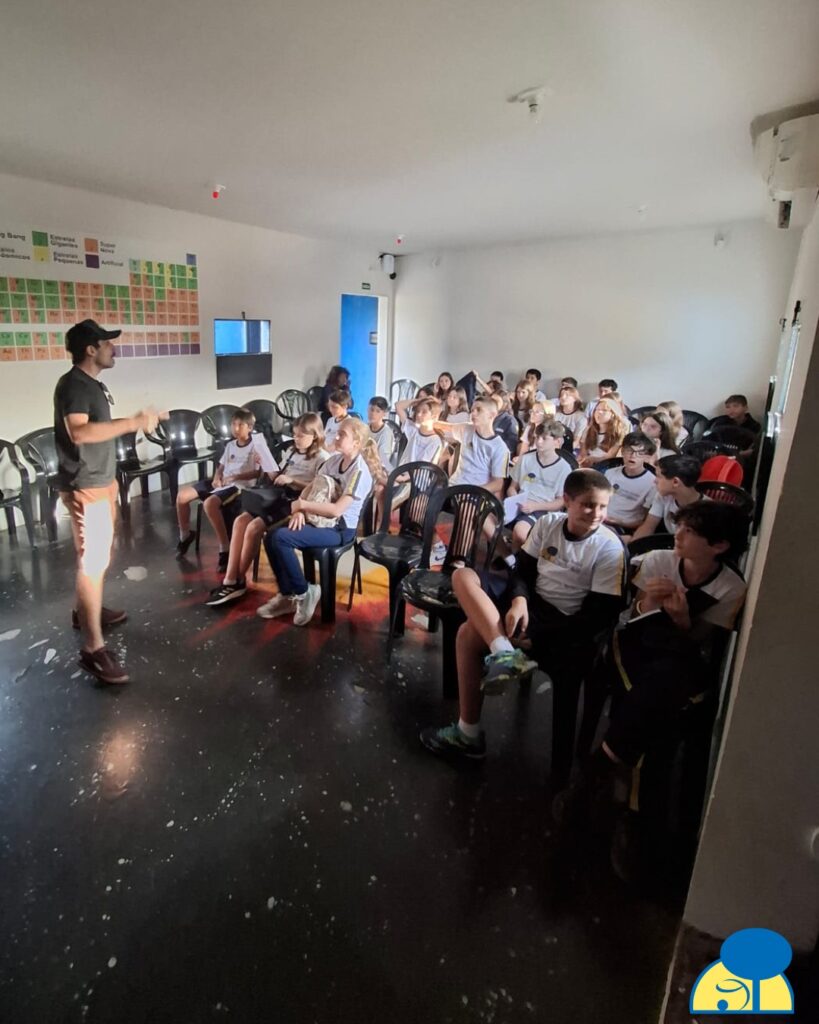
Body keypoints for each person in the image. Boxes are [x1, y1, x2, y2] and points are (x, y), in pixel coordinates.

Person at [553, 503, 748, 874]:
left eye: (690, 532)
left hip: (677, 658)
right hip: (635, 645)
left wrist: (683, 619)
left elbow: (699, 641)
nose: (679, 535)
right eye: (681, 526)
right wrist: (650, 603)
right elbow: (631, 619)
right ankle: (637, 818)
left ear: (719, 546)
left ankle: (596, 773)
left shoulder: (729, 587)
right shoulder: (659, 561)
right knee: (663, 699)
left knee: (660, 692)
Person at [419, 470, 625, 765]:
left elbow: (598, 617)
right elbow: (522, 572)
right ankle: (503, 652)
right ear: (567, 501)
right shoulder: (548, 524)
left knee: (468, 633)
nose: (597, 514)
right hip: (532, 605)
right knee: (463, 576)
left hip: (565, 626)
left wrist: (538, 634)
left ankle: (469, 733)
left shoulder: (609, 547)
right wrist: (519, 601)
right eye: (588, 505)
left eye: (603, 506)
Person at [54, 319, 168, 685]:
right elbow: (79, 432)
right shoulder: (75, 385)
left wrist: (137, 422)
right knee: (93, 561)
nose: (113, 348)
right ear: (91, 349)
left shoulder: (90, 384)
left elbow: (96, 427)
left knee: (93, 557)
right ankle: (93, 649)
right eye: (107, 343)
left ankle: (85, 613)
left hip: (99, 481)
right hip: (87, 485)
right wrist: (132, 422)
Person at [257, 418, 379, 626]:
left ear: (356, 443)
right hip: (319, 520)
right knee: (271, 536)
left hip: (339, 529)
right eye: (337, 432)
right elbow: (311, 487)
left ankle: (305, 592)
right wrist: (300, 511)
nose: (336, 437)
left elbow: (337, 510)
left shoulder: (359, 472)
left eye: (342, 435)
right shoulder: (334, 460)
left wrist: (303, 506)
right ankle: (287, 595)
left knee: (281, 538)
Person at [205, 413, 328, 606]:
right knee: (240, 521)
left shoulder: (322, 458)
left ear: (315, 435)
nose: (296, 439)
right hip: (278, 496)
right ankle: (230, 579)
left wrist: (293, 480)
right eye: (294, 434)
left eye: (301, 435)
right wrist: (265, 464)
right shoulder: (292, 452)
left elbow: (319, 490)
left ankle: (238, 580)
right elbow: (276, 478)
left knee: (254, 528)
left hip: (297, 502)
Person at [175, 408, 277, 570]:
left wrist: (235, 477)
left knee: (210, 504)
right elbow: (221, 466)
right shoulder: (230, 445)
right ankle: (185, 535)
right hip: (223, 482)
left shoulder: (256, 445)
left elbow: (257, 473)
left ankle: (225, 547)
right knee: (182, 496)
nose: (235, 428)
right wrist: (217, 477)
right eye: (233, 424)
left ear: (250, 427)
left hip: (239, 485)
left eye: (240, 425)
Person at [503, 419, 571, 557]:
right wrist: (516, 499)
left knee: (520, 531)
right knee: (485, 519)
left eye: (544, 438)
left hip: (542, 510)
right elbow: (512, 487)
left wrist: (535, 506)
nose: (539, 442)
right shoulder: (526, 459)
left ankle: (515, 560)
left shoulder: (564, 468)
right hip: (518, 504)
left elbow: (560, 502)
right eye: (537, 437)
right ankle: (507, 556)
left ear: (557, 441)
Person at [439, 395, 509, 495]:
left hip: (474, 493)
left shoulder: (500, 448)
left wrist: (475, 491)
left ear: (492, 415)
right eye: (472, 410)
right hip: (453, 486)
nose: (473, 413)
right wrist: (429, 423)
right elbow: (446, 427)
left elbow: (498, 483)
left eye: (479, 410)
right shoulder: (467, 429)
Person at [631, 455, 706, 540]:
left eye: (659, 476)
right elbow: (648, 526)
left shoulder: (706, 511)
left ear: (675, 482)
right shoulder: (663, 496)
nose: (655, 480)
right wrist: (632, 544)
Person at [602, 432, 657, 539]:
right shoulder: (610, 473)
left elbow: (645, 521)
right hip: (601, 519)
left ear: (647, 457)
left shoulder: (652, 483)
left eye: (640, 453)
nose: (633, 456)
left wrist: (619, 522)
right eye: (629, 450)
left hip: (624, 528)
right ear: (622, 451)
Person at [578, 398, 626, 466]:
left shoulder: (618, 433)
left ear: (613, 414)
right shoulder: (588, 430)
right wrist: (585, 459)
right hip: (588, 463)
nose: (599, 412)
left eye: (604, 410)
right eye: (597, 409)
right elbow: (583, 452)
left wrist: (591, 459)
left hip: (606, 465)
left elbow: (610, 457)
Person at [367, 396, 395, 471]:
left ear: (384, 414)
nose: (373, 413)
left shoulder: (386, 433)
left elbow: (384, 461)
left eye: (377, 411)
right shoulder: (365, 428)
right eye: (371, 410)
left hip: (378, 469)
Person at [488, 390, 520, 456]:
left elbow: (511, 444)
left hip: (499, 455)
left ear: (505, 404)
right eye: (491, 400)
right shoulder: (485, 416)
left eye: (496, 401)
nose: (493, 403)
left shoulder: (510, 421)